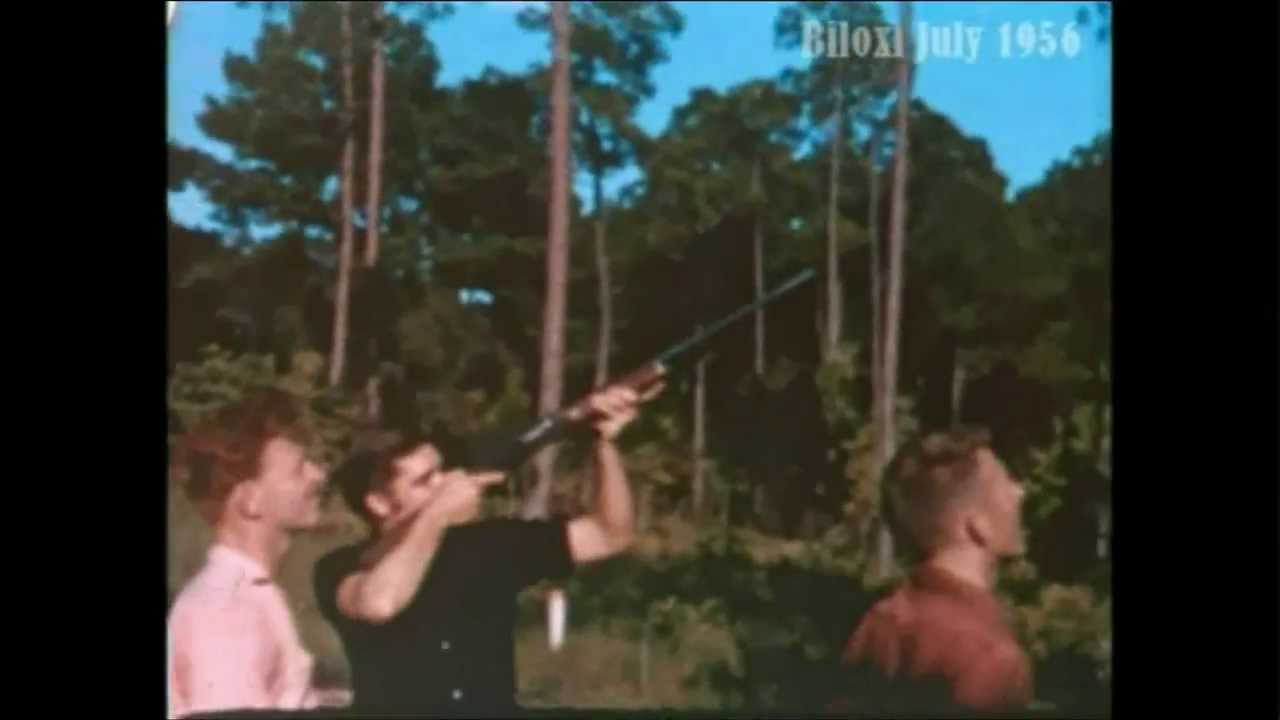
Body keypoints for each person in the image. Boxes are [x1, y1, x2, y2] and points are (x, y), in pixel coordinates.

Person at [314, 382, 660, 715]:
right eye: (424, 481)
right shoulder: (341, 566)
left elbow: (609, 533)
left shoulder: (488, 545)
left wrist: (602, 444)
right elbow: (379, 604)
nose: (444, 483)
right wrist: (437, 514)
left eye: (441, 472)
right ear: (378, 504)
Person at [167, 388, 351, 719]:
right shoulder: (225, 608)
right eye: (298, 469)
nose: (319, 475)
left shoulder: (247, 592)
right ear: (250, 501)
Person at [831, 427, 1034, 715]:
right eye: (1005, 484)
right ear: (978, 525)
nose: (1020, 492)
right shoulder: (991, 658)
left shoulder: (881, 622)